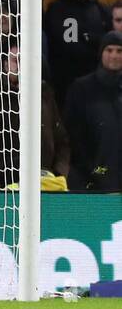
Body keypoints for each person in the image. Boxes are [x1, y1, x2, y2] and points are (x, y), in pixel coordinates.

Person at [62, 31, 122, 190]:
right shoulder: (82, 88)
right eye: (109, 50)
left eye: (119, 51)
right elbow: (73, 134)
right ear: (101, 53)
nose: (114, 56)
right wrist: (92, 170)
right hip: (89, 179)